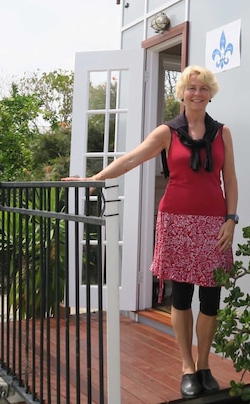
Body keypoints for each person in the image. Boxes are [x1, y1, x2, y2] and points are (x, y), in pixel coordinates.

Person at [65, 65, 238, 398]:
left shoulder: (222, 132)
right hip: (176, 220)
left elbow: (229, 179)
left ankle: (205, 365)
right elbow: (131, 159)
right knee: (183, 295)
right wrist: (94, 180)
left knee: (212, 298)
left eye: (203, 88)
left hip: (214, 224)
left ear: (210, 93)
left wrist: (231, 218)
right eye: (191, 88)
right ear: (182, 93)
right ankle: (187, 366)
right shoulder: (167, 133)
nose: (197, 93)